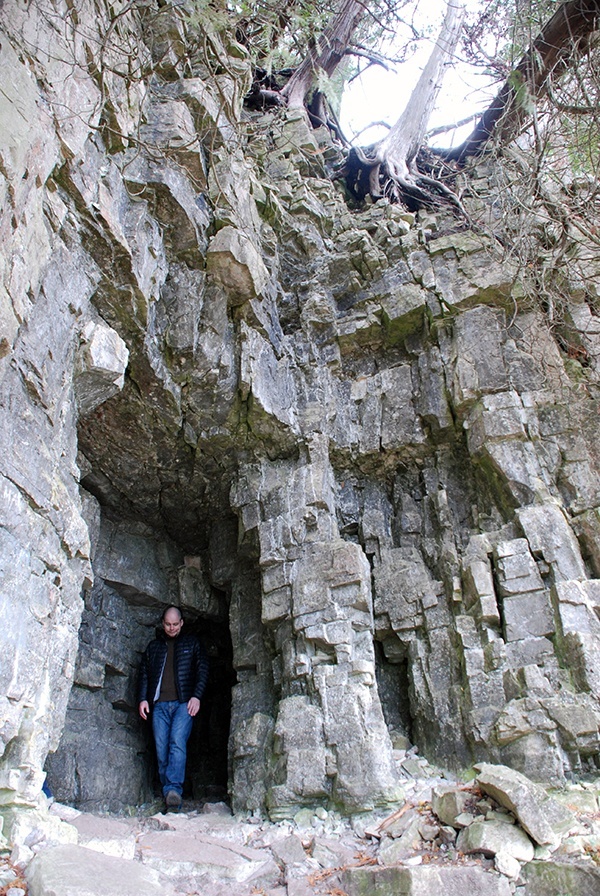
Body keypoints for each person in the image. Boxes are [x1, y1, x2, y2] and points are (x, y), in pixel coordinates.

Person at [138, 605, 209, 811]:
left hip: (183, 703)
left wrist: (196, 697)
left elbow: (202, 670)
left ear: (182, 623)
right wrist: (143, 699)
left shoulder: (192, 644)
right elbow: (144, 673)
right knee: (162, 749)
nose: (171, 628)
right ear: (163, 623)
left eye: (175, 624)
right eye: (168, 624)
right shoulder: (154, 647)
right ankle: (167, 790)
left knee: (177, 742)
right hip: (159, 705)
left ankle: (174, 791)